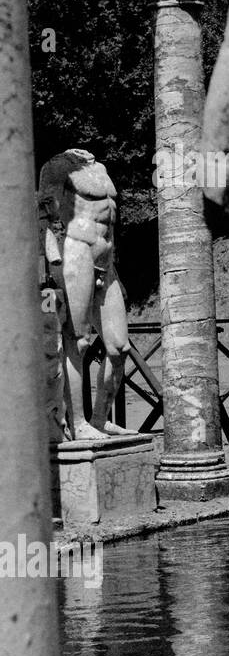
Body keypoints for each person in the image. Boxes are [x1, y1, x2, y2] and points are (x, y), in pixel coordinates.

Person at [38, 148, 130, 439]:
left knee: (119, 348)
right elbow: (43, 214)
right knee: (77, 342)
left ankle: (100, 419)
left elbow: (110, 223)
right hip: (76, 253)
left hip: (106, 261)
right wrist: (52, 259)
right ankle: (78, 424)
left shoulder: (100, 167)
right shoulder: (58, 165)